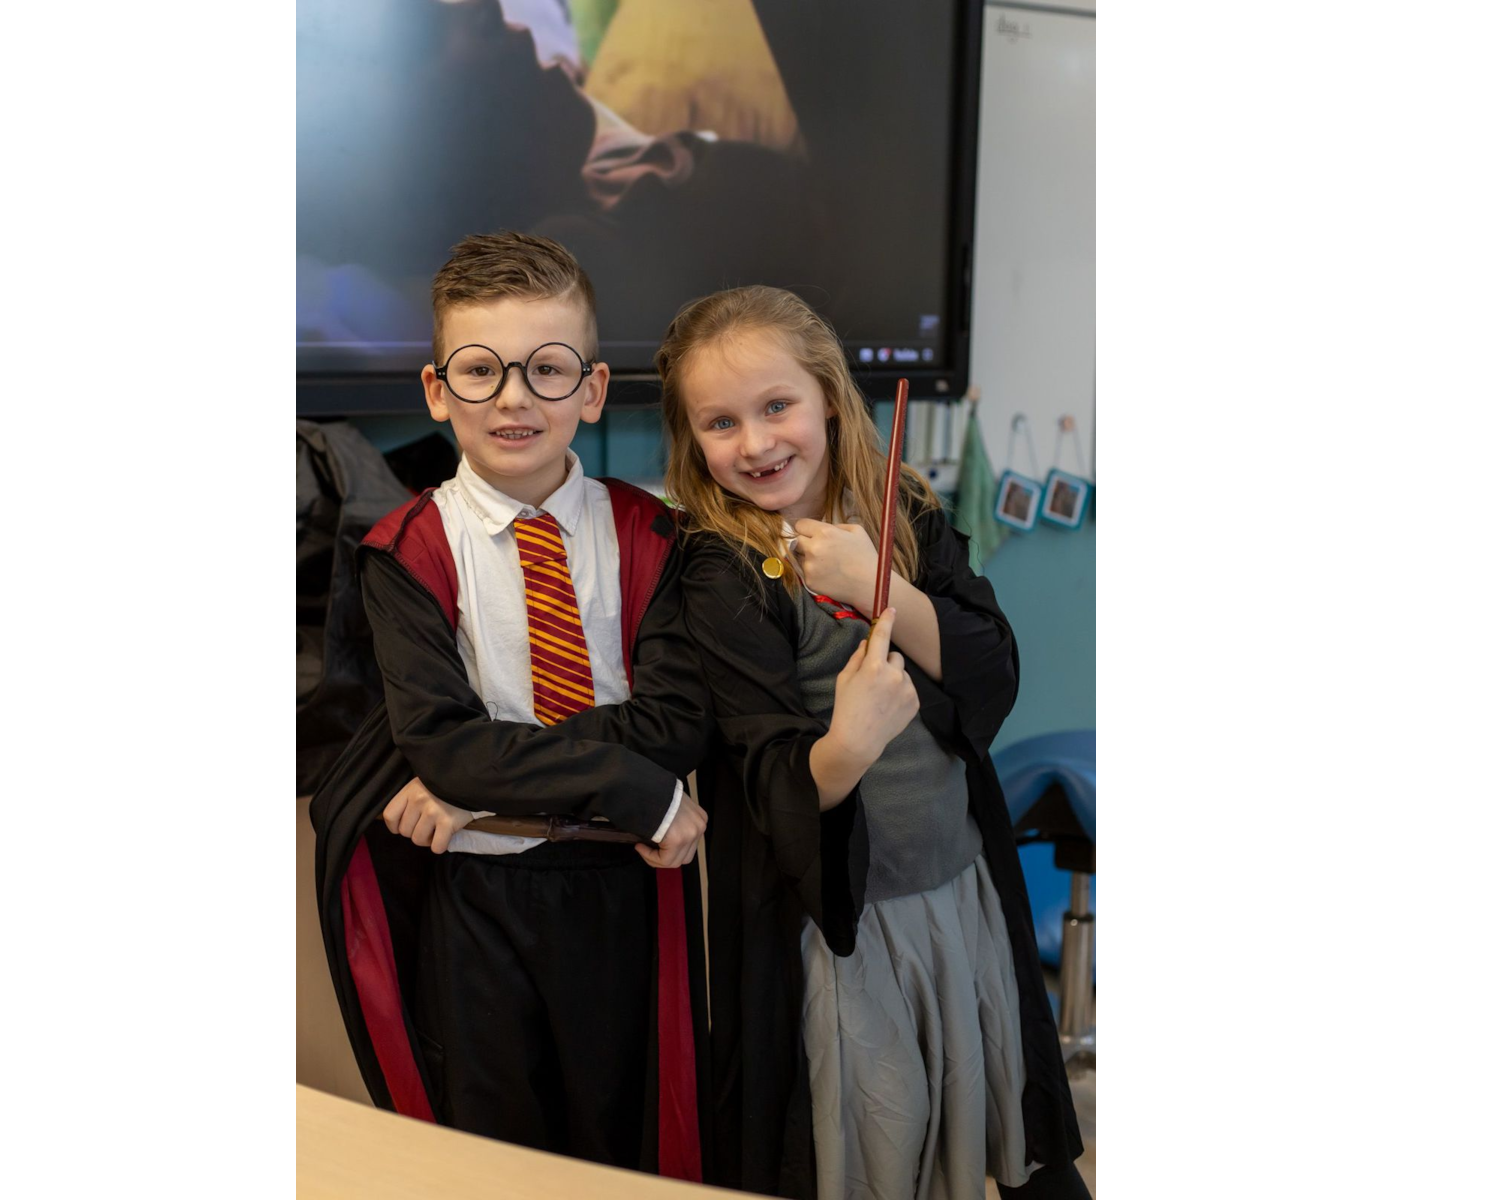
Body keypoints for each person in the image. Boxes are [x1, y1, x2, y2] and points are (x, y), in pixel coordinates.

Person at [657, 285, 1088, 1199]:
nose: (756, 443)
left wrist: (878, 586)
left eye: (777, 406)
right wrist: (848, 745)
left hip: (962, 890)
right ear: (693, 439)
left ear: (826, 396)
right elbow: (770, 780)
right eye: (721, 422)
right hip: (844, 931)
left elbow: (992, 669)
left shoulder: (906, 511)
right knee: (877, 1153)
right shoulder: (718, 569)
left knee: (1001, 1127)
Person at [309, 232, 710, 1179]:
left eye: (548, 369)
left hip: (623, 888)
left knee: (624, 1143)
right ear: (437, 391)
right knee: (492, 1153)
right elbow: (444, 746)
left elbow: (675, 724)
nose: (515, 399)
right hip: (478, 899)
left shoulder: (655, 534)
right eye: (481, 370)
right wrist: (628, 782)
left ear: (593, 390)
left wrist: (488, 770)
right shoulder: (406, 550)